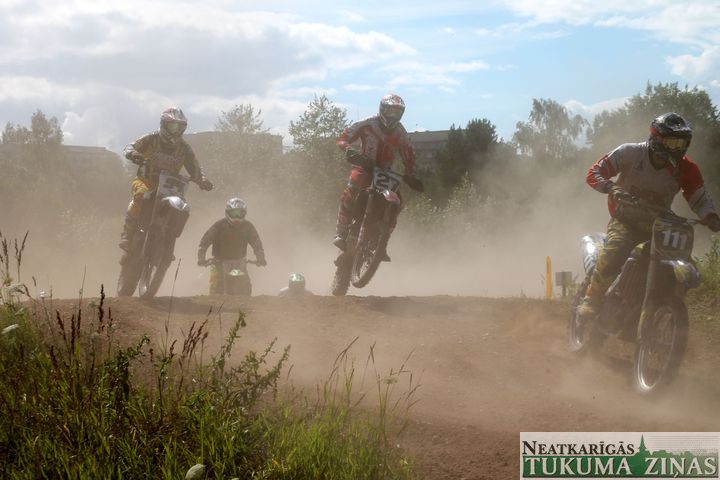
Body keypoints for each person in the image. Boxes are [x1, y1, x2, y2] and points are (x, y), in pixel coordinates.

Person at [578, 112, 720, 319]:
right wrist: (611, 187)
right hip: (625, 219)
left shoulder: (687, 168)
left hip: (659, 225)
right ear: (657, 138)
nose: (677, 148)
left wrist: (711, 216)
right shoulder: (630, 153)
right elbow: (594, 172)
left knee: (684, 260)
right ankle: (592, 299)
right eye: (672, 142)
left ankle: (661, 300)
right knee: (617, 248)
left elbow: (698, 197)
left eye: (681, 143)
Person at [332, 93, 424, 259]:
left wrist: (410, 176)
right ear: (382, 109)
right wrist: (349, 150)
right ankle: (341, 233)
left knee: (398, 203)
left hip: (384, 172)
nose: (393, 115)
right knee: (351, 190)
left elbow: (409, 155)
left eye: (397, 112)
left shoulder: (401, 133)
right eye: (390, 111)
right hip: (364, 165)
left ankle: (382, 244)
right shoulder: (367, 123)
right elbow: (343, 138)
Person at [119, 107, 213, 251]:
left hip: (170, 187)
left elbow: (194, 166)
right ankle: (127, 234)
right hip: (145, 181)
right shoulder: (151, 139)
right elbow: (129, 147)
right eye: (173, 126)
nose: (176, 130)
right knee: (141, 196)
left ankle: (168, 245)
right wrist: (134, 154)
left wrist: (202, 179)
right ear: (164, 124)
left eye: (180, 127)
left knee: (181, 207)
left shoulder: (184, 148)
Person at [197, 197, 267, 294]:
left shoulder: (248, 226)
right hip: (219, 263)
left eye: (240, 213)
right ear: (227, 212)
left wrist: (261, 257)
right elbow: (204, 241)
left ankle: (245, 302)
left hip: (239, 263)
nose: (237, 216)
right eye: (234, 213)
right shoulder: (219, 225)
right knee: (217, 288)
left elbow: (256, 243)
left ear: (244, 213)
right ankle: (212, 301)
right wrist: (201, 258)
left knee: (246, 287)